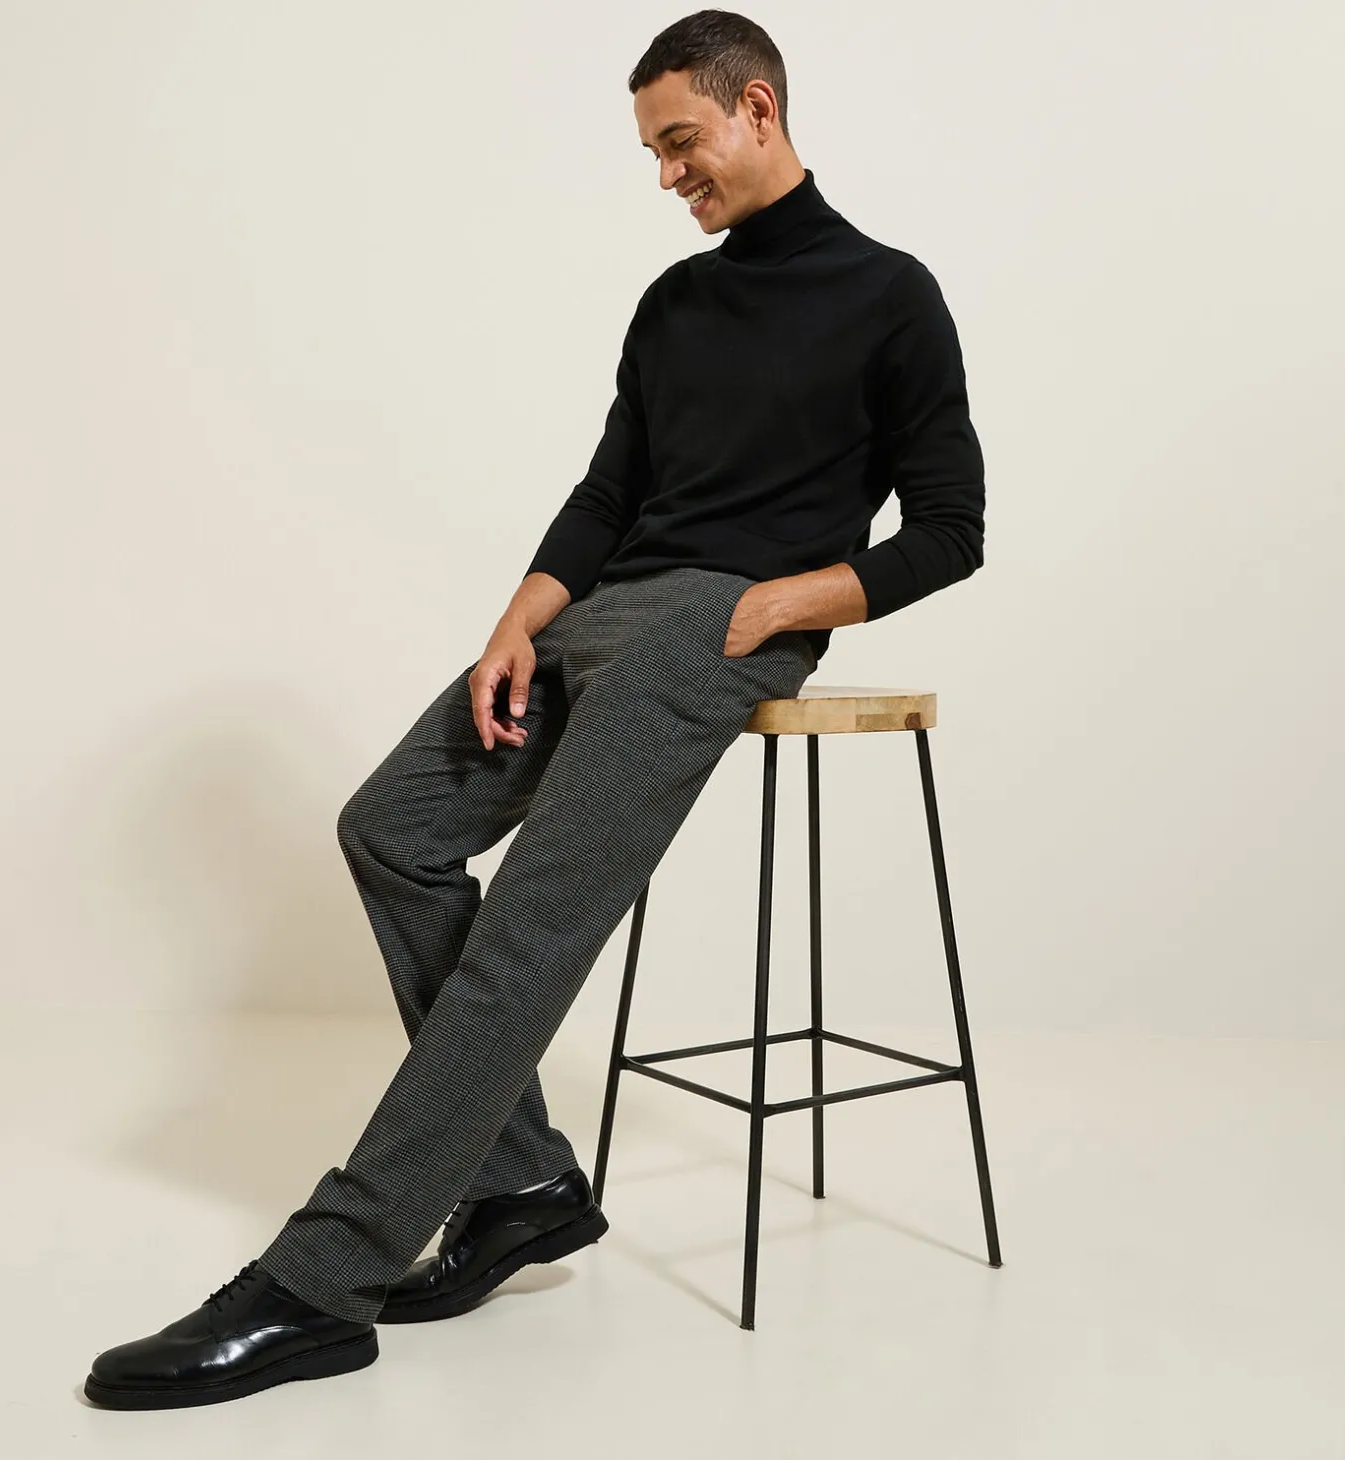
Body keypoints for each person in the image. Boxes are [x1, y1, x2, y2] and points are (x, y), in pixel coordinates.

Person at [83, 8, 985, 1410]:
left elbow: (949, 529)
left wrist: (772, 611)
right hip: (599, 614)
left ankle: (322, 1279)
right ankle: (520, 1185)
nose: (668, 176)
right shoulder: (674, 307)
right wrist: (519, 621)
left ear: (757, 108)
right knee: (391, 830)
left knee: (532, 925)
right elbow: (610, 490)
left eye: (682, 142)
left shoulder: (892, 296)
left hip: (718, 627)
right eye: (654, 152)